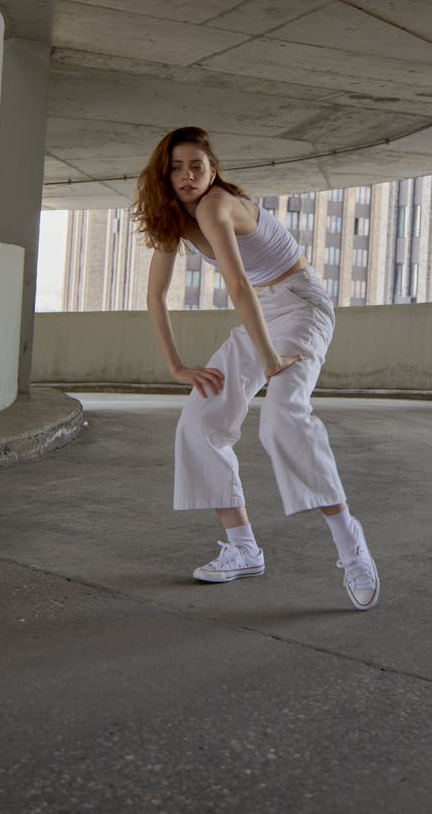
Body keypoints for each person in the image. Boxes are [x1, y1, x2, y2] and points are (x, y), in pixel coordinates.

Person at [133, 126, 379, 611]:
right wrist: (178, 366)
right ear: (164, 173)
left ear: (214, 170)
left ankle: (351, 545)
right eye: (177, 167)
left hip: (300, 304)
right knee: (201, 420)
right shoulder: (172, 217)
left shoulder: (214, 205)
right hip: (262, 315)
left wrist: (270, 362)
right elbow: (155, 296)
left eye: (197, 166)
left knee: (282, 416)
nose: (187, 176)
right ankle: (243, 548)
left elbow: (239, 284)